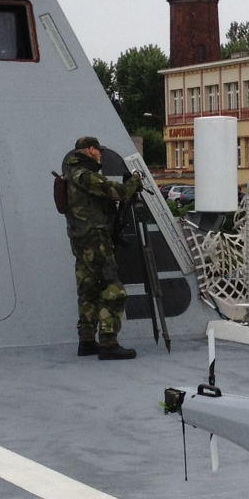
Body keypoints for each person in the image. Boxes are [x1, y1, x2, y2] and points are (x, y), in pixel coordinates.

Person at [61, 136, 143, 359]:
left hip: (80, 239)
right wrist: (135, 180)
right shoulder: (85, 176)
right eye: (99, 151)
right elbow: (118, 192)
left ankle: (87, 341)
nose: (100, 155)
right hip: (96, 239)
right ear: (90, 150)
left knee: (87, 288)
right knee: (112, 287)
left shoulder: (69, 175)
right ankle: (108, 342)